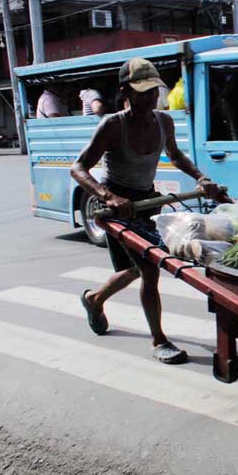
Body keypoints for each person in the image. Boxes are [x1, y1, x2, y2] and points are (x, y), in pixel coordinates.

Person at [72, 57, 221, 364]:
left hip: (146, 202)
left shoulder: (162, 122)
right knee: (150, 269)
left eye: (154, 92)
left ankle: (94, 299)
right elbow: (79, 168)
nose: (151, 98)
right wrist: (108, 196)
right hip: (117, 207)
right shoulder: (112, 126)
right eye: (143, 92)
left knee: (134, 269)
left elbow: (176, 156)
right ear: (126, 91)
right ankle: (159, 340)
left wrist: (202, 178)